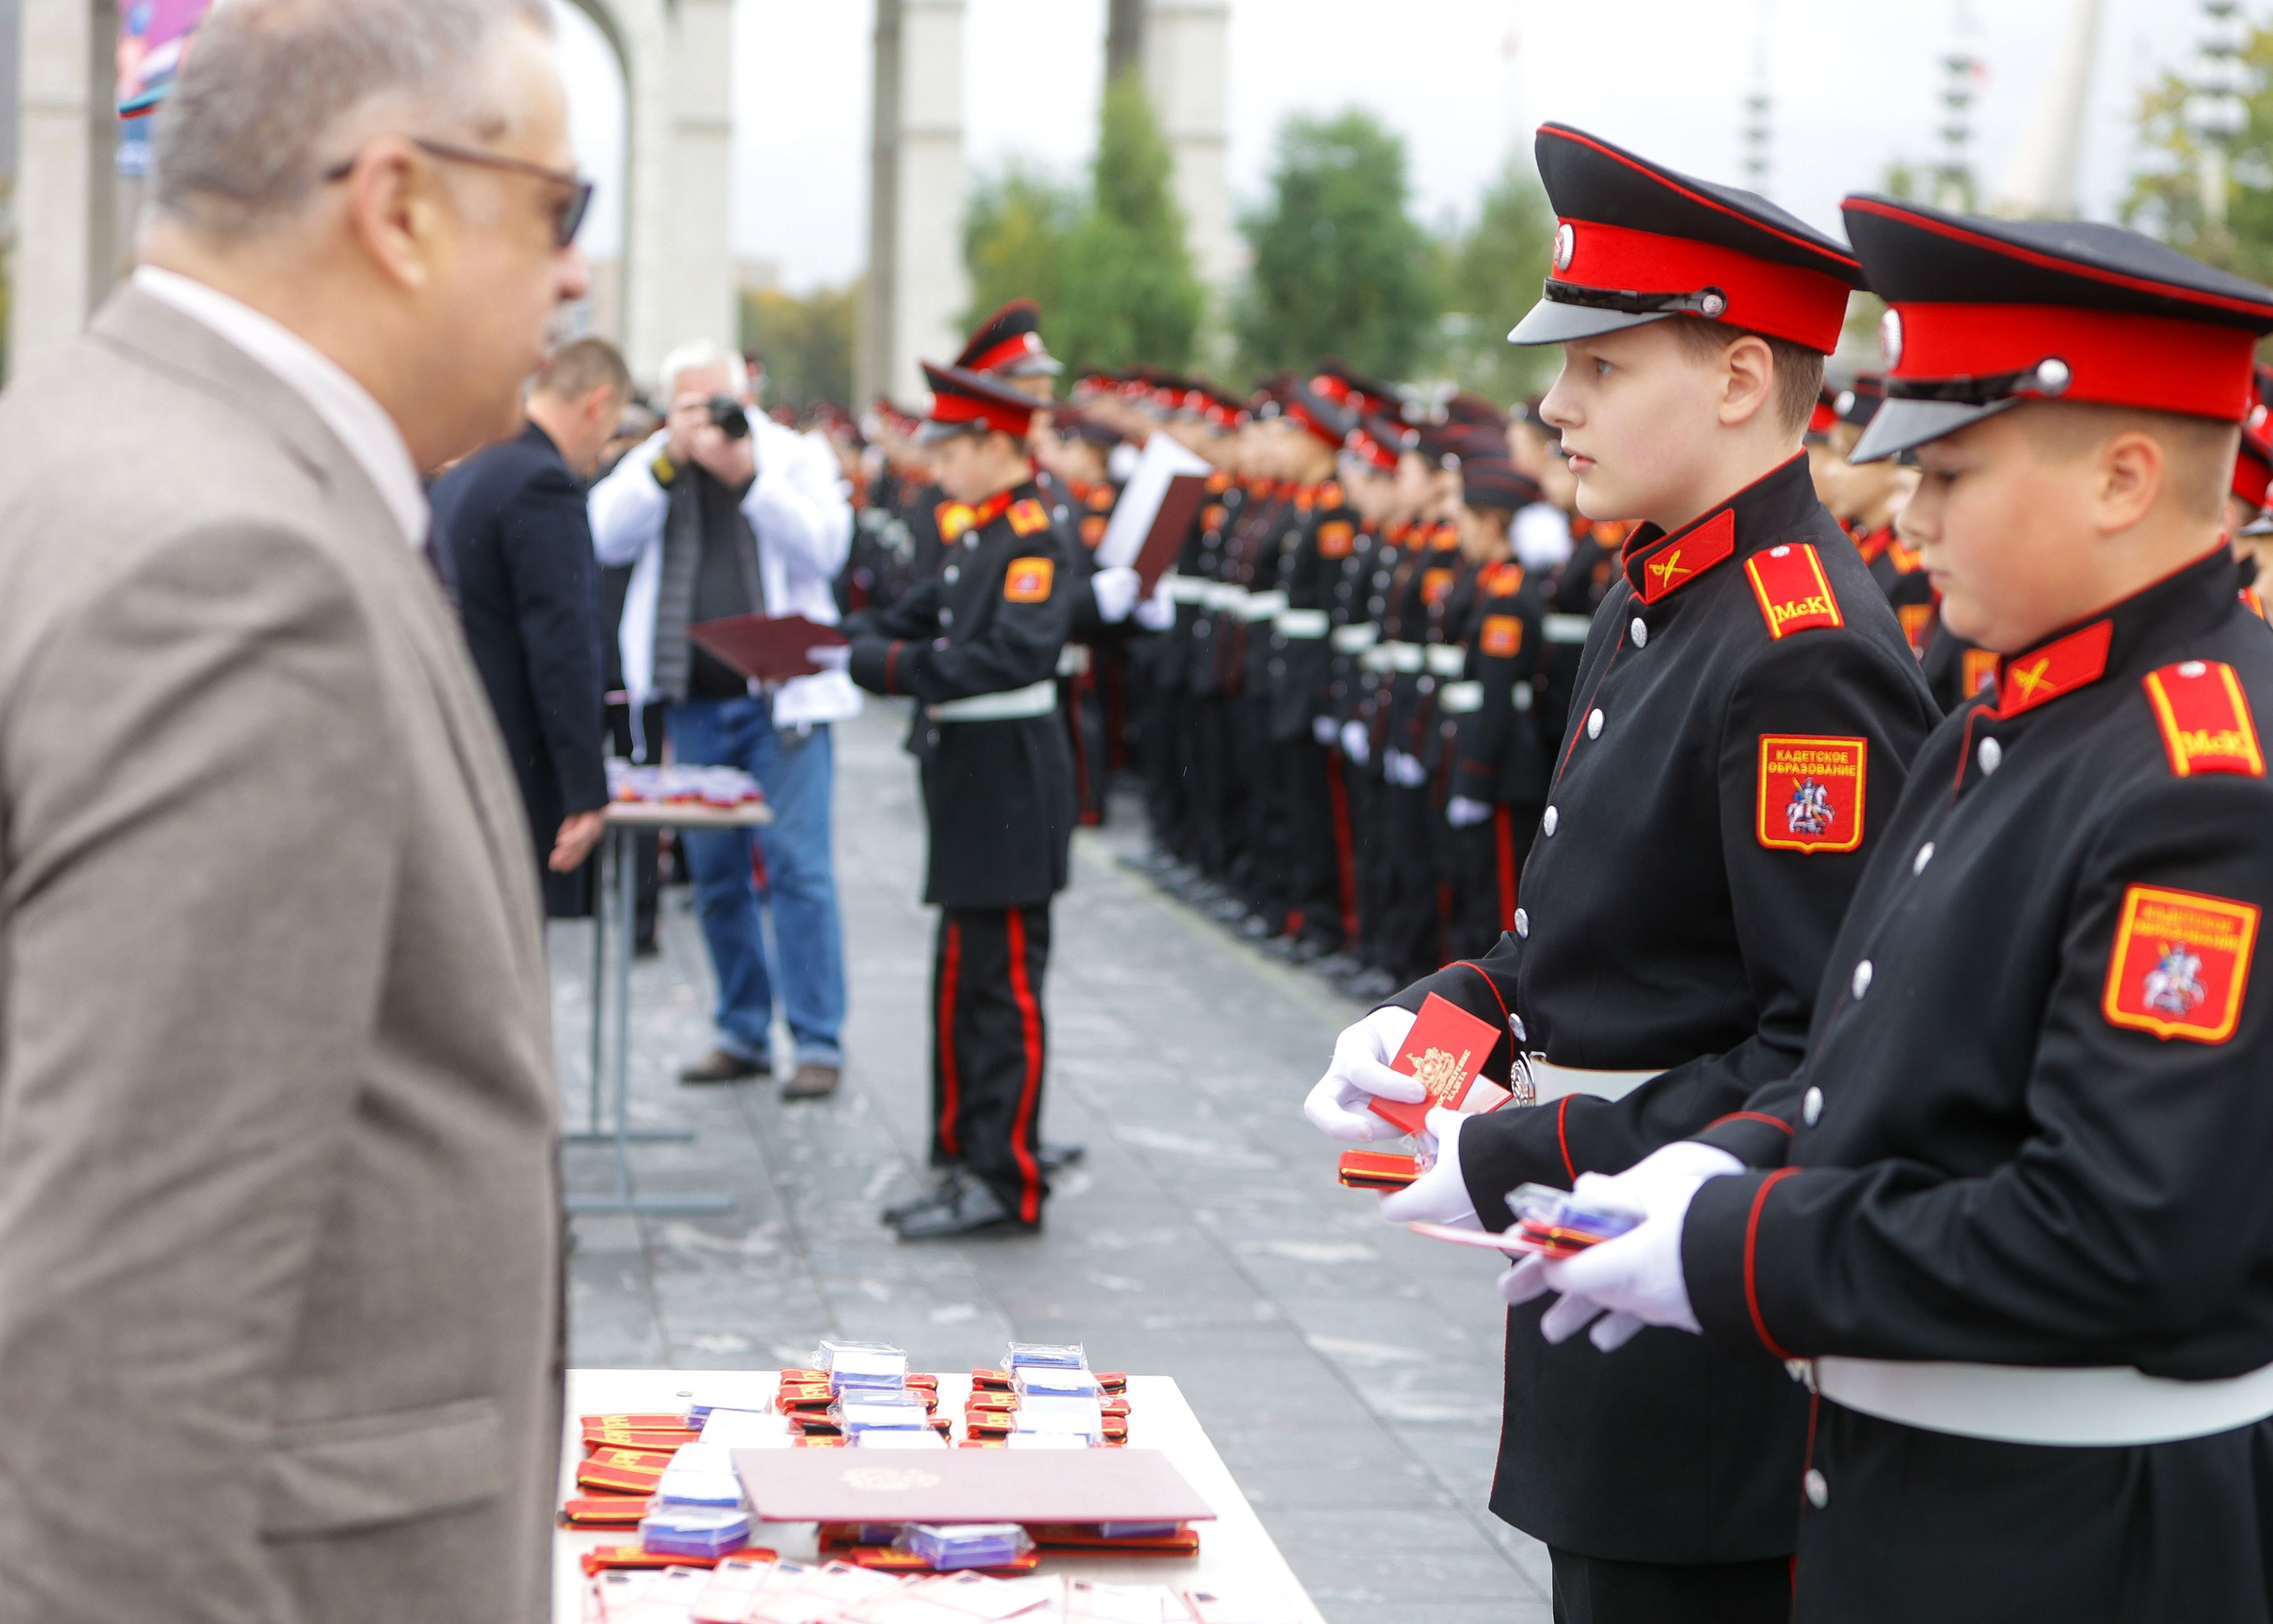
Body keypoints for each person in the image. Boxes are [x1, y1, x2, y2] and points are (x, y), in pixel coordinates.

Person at [1522, 196, 2273, 1624]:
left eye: (1952, 473)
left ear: (2124, 478)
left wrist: (1733, 1246)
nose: (1908, 519)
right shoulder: (2004, 721)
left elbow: (2117, 1236)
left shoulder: (2201, 784)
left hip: (2072, 1540)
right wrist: (1711, 1160)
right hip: (1919, 1500)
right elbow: (1874, 1063)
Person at [1303, 123, 1937, 1624]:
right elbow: (1595, 937)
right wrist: (1441, 1025)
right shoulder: (1665, 585)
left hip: (1710, 1327)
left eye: (1602, 367)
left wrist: (1527, 1150)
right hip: (1610, 1275)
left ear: (1734, 378)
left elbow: (1822, 1050)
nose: (1553, 401)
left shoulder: (1803, 652)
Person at [0, 0, 584, 1617]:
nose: (576, 274)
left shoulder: (90, 440)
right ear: (396, 203)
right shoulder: (241, 569)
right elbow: (117, 1367)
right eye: (556, 208)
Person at [843, 364, 1076, 1240]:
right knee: (961, 971)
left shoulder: (1034, 535)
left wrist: (884, 667)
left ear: (990, 445)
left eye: (950, 449)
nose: (936, 467)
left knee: (1002, 987)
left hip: (1010, 781)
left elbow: (1010, 657)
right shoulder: (982, 532)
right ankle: (962, 1153)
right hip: (971, 777)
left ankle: (1006, 1176)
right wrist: (851, 639)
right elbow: (924, 612)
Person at [590, 339, 856, 1098]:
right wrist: (668, 456)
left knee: (799, 870)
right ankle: (741, 1026)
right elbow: (605, 533)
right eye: (689, 405)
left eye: (717, 402)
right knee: (713, 876)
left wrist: (747, 477)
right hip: (695, 696)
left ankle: (817, 1039)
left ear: (743, 396)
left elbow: (827, 548)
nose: (706, 419)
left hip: (783, 697)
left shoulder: (791, 455)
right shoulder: (656, 464)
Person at [431, 334, 629, 913]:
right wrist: (585, 788)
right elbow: (562, 643)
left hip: (459, 747)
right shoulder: (543, 483)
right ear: (596, 403)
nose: (601, 445)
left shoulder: (473, 471)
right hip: (512, 765)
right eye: (610, 423)